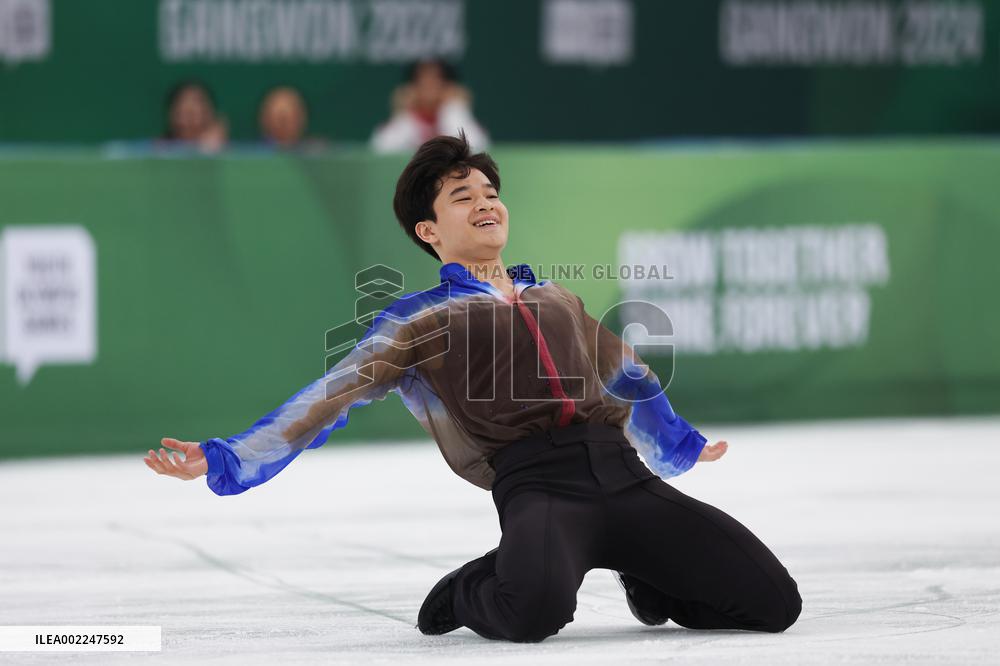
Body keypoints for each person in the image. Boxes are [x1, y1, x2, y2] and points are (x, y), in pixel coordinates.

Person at [144, 130, 802, 643]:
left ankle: (651, 580)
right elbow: (331, 396)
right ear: (428, 231)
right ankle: (470, 587)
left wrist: (677, 446)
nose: (486, 202)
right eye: (464, 196)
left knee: (773, 603)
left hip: (626, 477)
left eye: (490, 191)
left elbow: (628, 372)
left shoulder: (555, 296)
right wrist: (228, 455)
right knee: (534, 612)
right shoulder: (416, 320)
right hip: (540, 489)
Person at [370, 58, 490, 154]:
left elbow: (478, 147)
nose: (429, 85)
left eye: (437, 79)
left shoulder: (454, 113)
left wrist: (453, 108)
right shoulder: (406, 118)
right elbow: (380, 150)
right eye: (421, 80)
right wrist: (403, 112)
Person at [161, 80, 227, 153]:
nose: (187, 123)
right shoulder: (159, 150)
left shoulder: (222, 149)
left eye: (192, 115)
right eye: (182, 114)